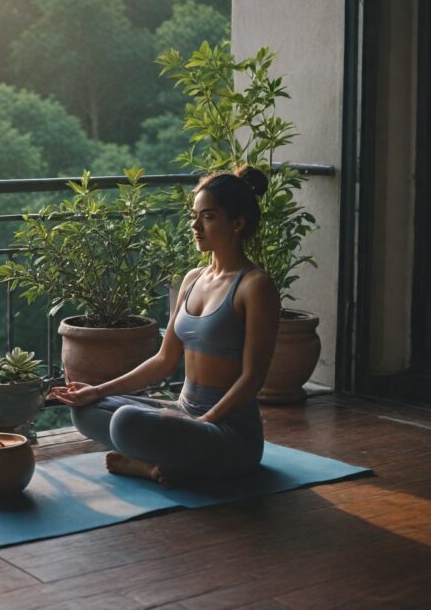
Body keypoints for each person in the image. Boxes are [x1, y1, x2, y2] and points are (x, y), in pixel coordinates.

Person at [47, 166, 280, 485]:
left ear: (237, 223)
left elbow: (253, 377)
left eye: (208, 217)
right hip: (184, 413)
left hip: (228, 433)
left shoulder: (255, 287)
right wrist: (95, 390)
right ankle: (162, 463)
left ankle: (149, 464)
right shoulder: (191, 279)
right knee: (87, 409)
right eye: (195, 215)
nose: (195, 226)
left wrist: (207, 422)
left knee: (126, 422)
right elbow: (164, 361)